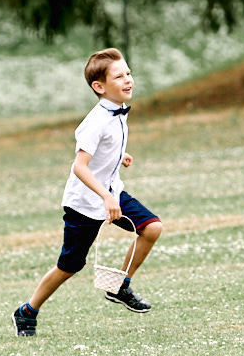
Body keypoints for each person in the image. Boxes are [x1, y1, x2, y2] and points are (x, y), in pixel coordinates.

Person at [14, 48, 164, 336]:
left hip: (112, 192)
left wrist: (119, 155)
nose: (128, 80)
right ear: (99, 87)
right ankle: (27, 311)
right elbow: (80, 167)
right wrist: (105, 197)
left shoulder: (116, 111)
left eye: (129, 73)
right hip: (84, 204)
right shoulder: (95, 121)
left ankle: (119, 286)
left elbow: (103, 149)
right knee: (70, 266)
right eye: (119, 76)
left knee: (152, 227)